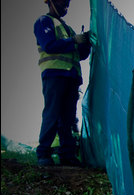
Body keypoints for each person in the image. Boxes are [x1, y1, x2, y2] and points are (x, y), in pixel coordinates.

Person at [34, 0, 91, 167]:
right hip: (55, 75)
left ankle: (67, 155)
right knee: (52, 113)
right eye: (62, 1)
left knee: (67, 117)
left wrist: (85, 43)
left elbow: (79, 54)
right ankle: (43, 153)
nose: (65, 5)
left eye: (67, 2)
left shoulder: (67, 28)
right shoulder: (44, 21)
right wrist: (73, 40)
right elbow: (49, 46)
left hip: (71, 77)